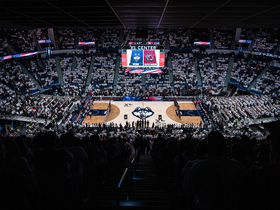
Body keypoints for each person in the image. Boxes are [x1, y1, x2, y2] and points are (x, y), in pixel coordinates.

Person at [183, 131, 246, 210]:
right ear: (225, 146)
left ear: (208, 147)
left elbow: (188, 189)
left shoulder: (198, 167)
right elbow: (244, 193)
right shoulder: (238, 167)